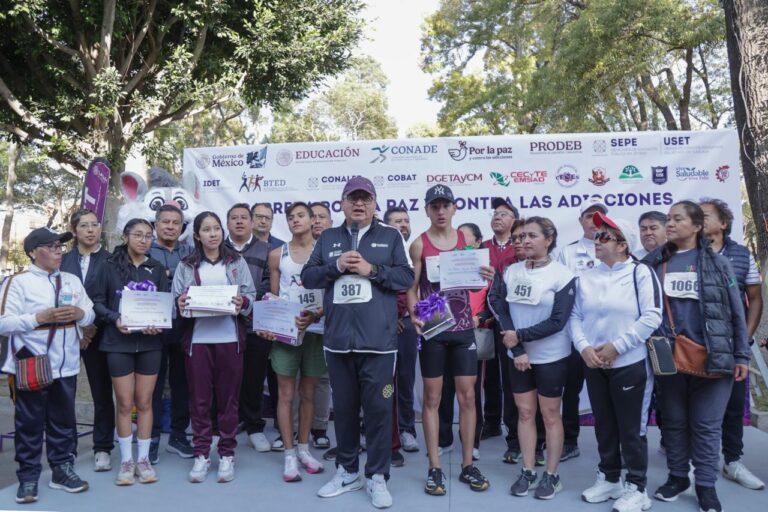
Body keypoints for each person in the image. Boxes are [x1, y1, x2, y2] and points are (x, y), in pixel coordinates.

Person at [303, 177, 413, 509]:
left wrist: (372, 269)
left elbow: (406, 277)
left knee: (378, 411)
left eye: (366, 198)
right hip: (338, 343)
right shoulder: (329, 238)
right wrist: (336, 266)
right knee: (345, 411)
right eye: (353, 198)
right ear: (342, 203)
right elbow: (308, 276)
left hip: (378, 344)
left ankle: (377, 475)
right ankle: (348, 471)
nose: (359, 204)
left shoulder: (390, 236)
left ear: (375, 203)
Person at [643, 201, 749, 512]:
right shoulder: (653, 264)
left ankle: (705, 485)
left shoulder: (718, 263)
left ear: (697, 226)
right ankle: (678, 477)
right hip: (666, 355)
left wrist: (741, 355)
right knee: (673, 422)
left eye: (678, 219)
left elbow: (736, 312)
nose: (670, 224)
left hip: (714, 355)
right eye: (669, 219)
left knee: (706, 425)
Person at [570, 212, 661, 512]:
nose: (597, 240)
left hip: (629, 363)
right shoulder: (586, 276)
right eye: (596, 235)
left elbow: (652, 316)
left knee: (632, 429)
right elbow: (575, 317)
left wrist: (617, 347)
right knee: (604, 424)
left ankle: (637, 487)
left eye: (605, 236)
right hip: (594, 363)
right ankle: (610, 478)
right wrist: (584, 348)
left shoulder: (640, 273)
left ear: (623, 245)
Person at [407, 185, 493, 496]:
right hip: (434, 328)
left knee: (468, 398)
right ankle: (435, 467)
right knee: (432, 399)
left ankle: (468, 464)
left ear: (455, 208)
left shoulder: (465, 240)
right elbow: (412, 287)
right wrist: (414, 315)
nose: (441, 211)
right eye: (435, 206)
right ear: (427, 210)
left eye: (445, 205)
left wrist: (484, 277)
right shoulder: (419, 244)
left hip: (463, 329)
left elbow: (473, 285)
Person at [1, 227, 94, 504]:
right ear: (33, 252)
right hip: (32, 363)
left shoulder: (71, 280)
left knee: (64, 421)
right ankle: (28, 477)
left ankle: (61, 470)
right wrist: (38, 318)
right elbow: (4, 323)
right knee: (29, 423)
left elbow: (89, 313)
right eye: (51, 246)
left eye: (60, 246)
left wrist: (80, 313)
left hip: (66, 365)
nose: (58, 251)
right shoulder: (18, 282)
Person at [488, 216, 577, 499]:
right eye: (521, 236)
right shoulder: (511, 271)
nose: (524, 240)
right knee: (525, 413)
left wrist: (520, 336)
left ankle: (551, 474)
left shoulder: (563, 275)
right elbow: (500, 308)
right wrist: (517, 349)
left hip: (551, 356)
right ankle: (527, 470)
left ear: (549, 240)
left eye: (531, 236)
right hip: (518, 356)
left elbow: (558, 321)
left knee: (549, 415)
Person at [173, 211, 255, 483]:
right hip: (198, 342)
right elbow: (176, 301)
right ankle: (201, 454)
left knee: (229, 400)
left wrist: (243, 303)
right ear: (197, 235)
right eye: (206, 229)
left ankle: (227, 454)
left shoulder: (236, 261)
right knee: (199, 401)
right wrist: (180, 303)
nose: (212, 234)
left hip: (229, 340)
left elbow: (251, 295)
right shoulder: (186, 265)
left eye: (216, 228)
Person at [94, 218, 168, 486]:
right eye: (138, 234)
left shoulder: (157, 268)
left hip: (149, 344)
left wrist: (158, 324)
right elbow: (97, 302)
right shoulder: (108, 265)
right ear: (125, 236)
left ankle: (143, 459)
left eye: (148, 236)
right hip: (118, 343)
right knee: (125, 403)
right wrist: (115, 319)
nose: (143, 240)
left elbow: (164, 304)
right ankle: (126, 461)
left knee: (145, 402)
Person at [700, 197, 764, 490]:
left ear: (723, 223)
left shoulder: (741, 255)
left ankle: (732, 461)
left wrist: (744, 338)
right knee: (692, 407)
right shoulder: (686, 253)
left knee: (734, 406)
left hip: (731, 347)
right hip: (695, 345)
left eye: (705, 215)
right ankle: (693, 465)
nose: (699, 219)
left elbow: (755, 299)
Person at [261, 202, 327, 482]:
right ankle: (289, 455)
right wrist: (270, 324)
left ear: (312, 220)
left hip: (316, 330)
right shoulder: (277, 254)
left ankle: (303, 448)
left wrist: (316, 315)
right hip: (287, 334)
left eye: (301, 215)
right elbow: (275, 298)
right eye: (290, 217)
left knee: (309, 393)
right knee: (286, 395)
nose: (295, 220)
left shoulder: (324, 252)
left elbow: (330, 293)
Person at [60, 209, 114, 472]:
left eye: (95, 225)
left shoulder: (111, 259)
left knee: (102, 393)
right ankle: (66, 448)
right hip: (68, 335)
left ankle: (103, 447)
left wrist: (91, 329)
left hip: (100, 335)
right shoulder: (63, 260)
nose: (91, 230)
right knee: (63, 394)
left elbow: (113, 298)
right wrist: (78, 330)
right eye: (84, 225)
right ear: (74, 230)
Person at [556, 198, 609, 462]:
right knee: (571, 390)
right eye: (590, 216)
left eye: (600, 216)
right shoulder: (567, 253)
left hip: (607, 334)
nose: (595, 221)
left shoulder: (615, 249)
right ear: (580, 221)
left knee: (607, 393)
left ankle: (611, 445)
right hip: (574, 334)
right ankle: (569, 441)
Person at [223, 203, 272, 453]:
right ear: (227, 223)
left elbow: (269, 283)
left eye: (244, 217)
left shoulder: (267, 250)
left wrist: (246, 301)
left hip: (255, 324)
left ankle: (254, 427)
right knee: (225, 379)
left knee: (253, 378)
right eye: (234, 218)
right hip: (223, 324)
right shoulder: (217, 248)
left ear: (252, 222)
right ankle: (224, 426)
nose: (240, 221)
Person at [437, 222, 487, 461]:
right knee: (442, 389)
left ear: (477, 242)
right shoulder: (445, 263)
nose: (461, 242)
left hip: (472, 333)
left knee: (471, 392)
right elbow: (431, 295)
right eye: (458, 237)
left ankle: (472, 442)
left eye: (466, 238)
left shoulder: (484, 268)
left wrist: (482, 317)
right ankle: (444, 440)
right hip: (443, 331)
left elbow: (495, 300)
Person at [148, 204, 194, 463]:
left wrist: (167, 274)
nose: (170, 227)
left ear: (182, 227)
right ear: (156, 224)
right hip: (152, 326)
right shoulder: (145, 249)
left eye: (176, 223)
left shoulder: (189, 252)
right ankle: (152, 437)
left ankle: (178, 435)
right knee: (152, 385)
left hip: (183, 325)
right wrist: (170, 275)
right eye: (165, 221)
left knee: (182, 383)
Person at [480, 198, 520, 460]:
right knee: (489, 375)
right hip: (485, 320)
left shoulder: (521, 247)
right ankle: (491, 421)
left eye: (504, 214)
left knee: (511, 378)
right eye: (495, 213)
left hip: (512, 322)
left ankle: (513, 431)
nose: (497, 217)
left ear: (515, 221)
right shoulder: (481, 247)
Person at [384, 206, 419, 454]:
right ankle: (376, 429)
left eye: (406, 220)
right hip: (383, 324)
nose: (403, 224)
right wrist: (389, 316)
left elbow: (417, 288)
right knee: (383, 381)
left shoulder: (416, 250)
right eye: (398, 221)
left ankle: (406, 429)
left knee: (406, 379)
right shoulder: (380, 251)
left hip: (408, 323)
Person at [306, 201, 334, 450]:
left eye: (321, 216)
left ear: (331, 222)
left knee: (323, 380)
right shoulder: (294, 249)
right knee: (299, 380)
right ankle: (296, 430)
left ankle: (320, 428)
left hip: (330, 323)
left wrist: (322, 310)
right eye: (312, 216)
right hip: (301, 323)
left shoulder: (338, 248)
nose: (316, 221)